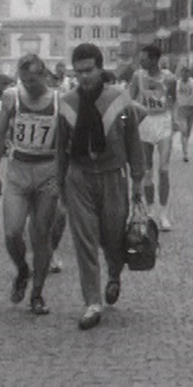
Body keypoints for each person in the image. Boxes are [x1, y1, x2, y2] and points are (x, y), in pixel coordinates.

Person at [57, 43, 145, 331]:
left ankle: (115, 274)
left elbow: (134, 142)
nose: (84, 77)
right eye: (79, 71)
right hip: (79, 177)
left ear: (99, 67)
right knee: (84, 240)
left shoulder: (119, 100)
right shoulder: (68, 103)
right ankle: (92, 301)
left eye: (89, 70)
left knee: (113, 237)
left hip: (112, 176)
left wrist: (137, 183)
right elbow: (60, 149)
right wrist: (60, 187)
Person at [0, 54, 60, 315]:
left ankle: (38, 293)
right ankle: (22, 270)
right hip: (18, 172)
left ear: (43, 75)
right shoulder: (12, 97)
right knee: (12, 232)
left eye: (32, 81)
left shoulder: (58, 101)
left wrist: (64, 178)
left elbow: (66, 143)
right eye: (23, 81)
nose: (27, 86)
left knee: (41, 235)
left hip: (47, 172)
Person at [128, 44, 176, 231]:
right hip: (144, 121)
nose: (141, 61)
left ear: (155, 59)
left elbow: (174, 100)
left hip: (162, 120)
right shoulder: (137, 76)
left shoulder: (169, 78)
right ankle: (149, 210)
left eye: (145, 58)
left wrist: (175, 119)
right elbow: (130, 100)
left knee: (163, 169)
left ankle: (163, 213)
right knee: (147, 171)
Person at [173, 66, 193, 163]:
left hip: (191, 109)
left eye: (187, 73)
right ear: (181, 74)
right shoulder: (177, 84)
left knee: (188, 132)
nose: (185, 75)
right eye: (183, 73)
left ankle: (185, 146)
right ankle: (185, 153)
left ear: (189, 74)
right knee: (184, 130)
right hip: (182, 109)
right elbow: (172, 95)